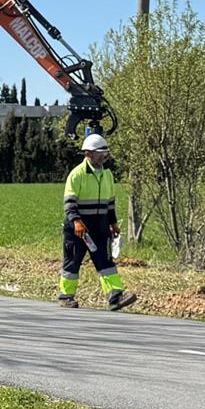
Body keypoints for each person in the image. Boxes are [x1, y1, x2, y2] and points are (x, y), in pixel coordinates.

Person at [59, 132, 136, 311]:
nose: (104, 155)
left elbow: (110, 202)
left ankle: (115, 297)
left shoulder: (107, 174)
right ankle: (66, 296)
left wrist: (113, 222)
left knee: (106, 261)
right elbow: (70, 203)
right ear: (89, 154)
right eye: (100, 152)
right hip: (79, 228)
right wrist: (76, 221)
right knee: (72, 262)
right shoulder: (77, 175)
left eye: (105, 152)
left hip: (100, 227)